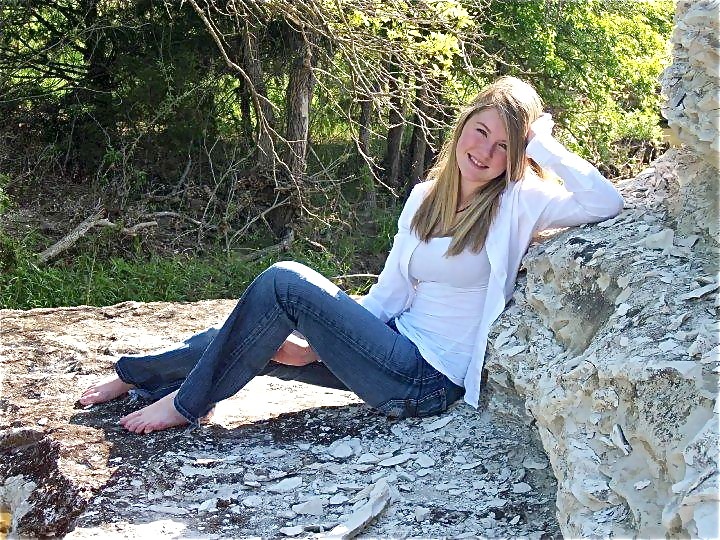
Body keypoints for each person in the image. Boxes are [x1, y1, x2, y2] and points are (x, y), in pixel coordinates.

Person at [79, 76, 624, 434]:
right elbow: (388, 295)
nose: (484, 152)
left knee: (284, 281)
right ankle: (136, 374)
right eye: (480, 132)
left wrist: (542, 144)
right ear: (463, 127)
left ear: (517, 154)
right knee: (257, 334)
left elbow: (606, 203)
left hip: (426, 380)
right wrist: (317, 349)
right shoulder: (425, 197)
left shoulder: (519, 202)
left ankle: (187, 403)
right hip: (390, 351)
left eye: (504, 145)